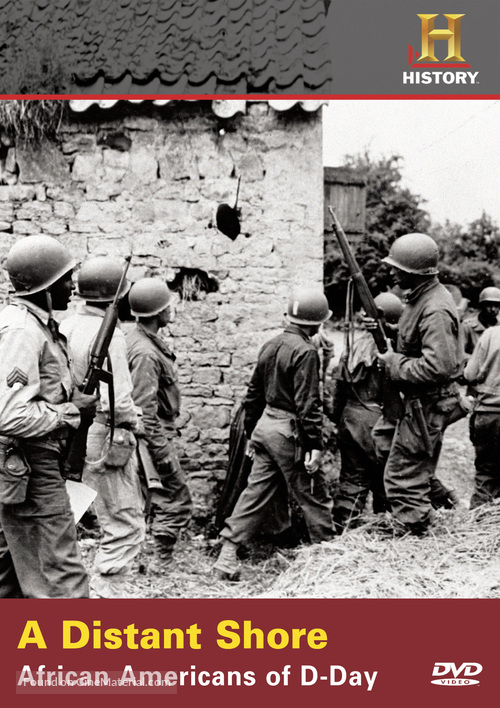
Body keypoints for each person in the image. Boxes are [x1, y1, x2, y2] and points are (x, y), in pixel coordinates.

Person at [213, 286, 336, 581]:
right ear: (316, 322)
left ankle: (227, 554)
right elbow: (309, 405)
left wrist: (252, 433)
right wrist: (315, 447)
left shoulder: (271, 344)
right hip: (288, 431)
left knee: (255, 493)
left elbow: (253, 395)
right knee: (314, 494)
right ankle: (330, 559)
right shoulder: (306, 352)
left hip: (266, 427)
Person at [0, 235, 96, 598]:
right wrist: (72, 412)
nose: (72, 286)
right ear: (46, 285)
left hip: (26, 463)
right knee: (62, 576)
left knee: (9, 573)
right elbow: (10, 415)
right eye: (65, 279)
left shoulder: (34, 326)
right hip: (31, 462)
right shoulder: (22, 331)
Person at [60, 256, 145, 598]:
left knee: (69, 518)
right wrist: (134, 424)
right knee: (126, 526)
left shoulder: (66, 325)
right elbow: (119, 401)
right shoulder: (112, 336)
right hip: (104, 433)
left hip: (70, 431)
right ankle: (106, 599)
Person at [375, 233, 465, 534]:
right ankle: (418, 520)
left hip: (426, 403)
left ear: (414, 271)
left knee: (403, 476)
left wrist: (393, 363)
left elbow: (438, 366)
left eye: (396, 267)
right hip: (420, 402)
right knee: (404, 465)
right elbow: (415, 340)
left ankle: (413, 531)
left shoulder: (435, 308)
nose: (391, 272)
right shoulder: (423, 299)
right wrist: (387, 330)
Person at [125, 278, 192, 562]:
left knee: (155, 497)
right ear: (155, 313)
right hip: (152, 436)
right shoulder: (145, 353)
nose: (170, 310)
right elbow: (144, 409)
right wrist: (161, 450)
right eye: (166, 306)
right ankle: (160, 560)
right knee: (175, 498)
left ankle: (146, 556)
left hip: (158, 430)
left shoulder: (142, 340)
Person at [330, 292, 403, 532]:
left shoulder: (352, 345)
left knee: (352, 480)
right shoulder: (392, 352)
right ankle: (386, 531)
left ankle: (344, 531)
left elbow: (338, 392)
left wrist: (338, 419)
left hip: (349, 419)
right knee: (386, 481)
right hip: (378, 422)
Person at [463, 325, 500, 508]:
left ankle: (477, 523)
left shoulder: (490, 334)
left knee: (486, 472)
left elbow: (470, 374)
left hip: (488, 413)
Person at [462, 286, 500, 355]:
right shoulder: (468, 326)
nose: (493, 309)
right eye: (489, 305)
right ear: (482, 306)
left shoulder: (498, 327)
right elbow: (460, 354)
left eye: (496, 306)